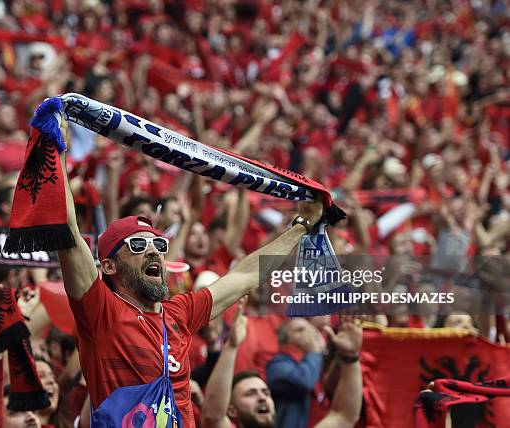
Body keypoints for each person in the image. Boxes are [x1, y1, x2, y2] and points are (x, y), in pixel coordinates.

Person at [56, 117, 325, 426]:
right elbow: (67, 231)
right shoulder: (99, 310)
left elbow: (245, 276)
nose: (154, 249)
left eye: (158, 242)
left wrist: (302, 227)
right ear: (109, 266)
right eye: (139, 245)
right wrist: (58, 151)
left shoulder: (179, 313)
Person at [201, 314, 363, 428]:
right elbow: (213, 416)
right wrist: (231, 347)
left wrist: (351, 356)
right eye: (251, 393)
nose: (262, 398)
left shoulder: (313, 363)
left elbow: (344, 416)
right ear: (232, 410)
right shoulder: (280, 365)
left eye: (266, 392)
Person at [266, 318, 326, 428]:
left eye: (310, 330)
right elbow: (304, 381)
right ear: (284, 339)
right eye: (300, 330)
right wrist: (314, 352)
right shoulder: (277, 364)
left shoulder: (319, 362)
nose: (308, 334)